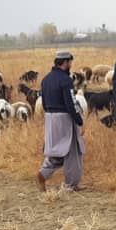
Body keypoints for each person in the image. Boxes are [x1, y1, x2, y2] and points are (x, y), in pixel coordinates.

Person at [37, 50, 86, 192]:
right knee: (72, 151)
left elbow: (44, 103)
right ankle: (71, 184)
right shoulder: (66, 80)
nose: (71, 64)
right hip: (64, 118)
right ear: (65, 62)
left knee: (55, 150)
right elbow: (71, 103)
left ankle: (43, 173)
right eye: (70, 62)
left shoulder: (46, 79)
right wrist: (79, 121)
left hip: (50, 118)